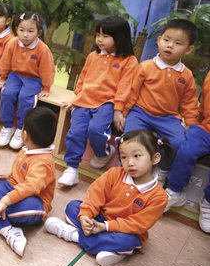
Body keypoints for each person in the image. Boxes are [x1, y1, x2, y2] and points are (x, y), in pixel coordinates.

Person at [45, 130, 172, 266]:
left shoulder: (159, 197)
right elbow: (95, 195)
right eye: (124, 157)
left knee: (127, 242)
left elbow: (138, 224)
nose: (129, 163)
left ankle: (73, 235)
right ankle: (109, 248)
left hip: (125, 231)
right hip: (101, 218)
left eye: (136, 156)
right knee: (73, 207)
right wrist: (85, 216)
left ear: (155, 158)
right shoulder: (114, 173)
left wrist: (105, 227)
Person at [58, 16, 139, 187]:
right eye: (98, 35)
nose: (100, 39)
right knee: (75, 132)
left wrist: (118, 110)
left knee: (96, 130)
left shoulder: (129, 61)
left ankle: (103, 153)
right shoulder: (92, 56)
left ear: (120, 37)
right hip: (84, 101)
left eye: (105, 36)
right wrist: (76, 98)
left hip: (107, 103)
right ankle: (72, 169)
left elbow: (125, 87)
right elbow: (83, 79)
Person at [0, 107, 57, 257]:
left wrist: (6, 200)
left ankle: (6, 229)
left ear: (25, 135)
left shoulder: (43, 162)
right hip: (13, 187)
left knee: (20, 207)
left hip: (36, 201)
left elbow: (31, 187)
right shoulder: (27, 149)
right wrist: (9, 178)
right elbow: (20, 176)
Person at [121, 19, 198, 184]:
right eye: (166, 40)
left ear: (189, 49)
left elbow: (189, 102)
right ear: (158, 40)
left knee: (178, 143)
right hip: (140, 112)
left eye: (178, 43)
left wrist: (191, 124)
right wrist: (123, 112)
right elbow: (132, 91)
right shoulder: (146, 66)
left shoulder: (187, 75)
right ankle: (127, 171)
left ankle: (162, 170)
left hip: (168, 117)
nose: (170, 45)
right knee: (131, 138)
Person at [0, 13, 55, 149]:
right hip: (15, 75)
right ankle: (8, 126)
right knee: (7, 93)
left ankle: (21, 129)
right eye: (21, 30)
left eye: (30, 31)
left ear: (39, 32)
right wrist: (3, 78)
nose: (25, 35)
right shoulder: (12, 43)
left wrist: (46, 87)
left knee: (25, 98)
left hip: (33, 79)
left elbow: (47, 69)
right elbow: (5, 62)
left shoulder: (42, 49)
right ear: (16, 29)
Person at [164, 71, 210, 227]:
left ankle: (208, 202)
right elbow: (203, 105)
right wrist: (193, 122)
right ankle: (174, 191)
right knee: (186, 150)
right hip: (205, 129)